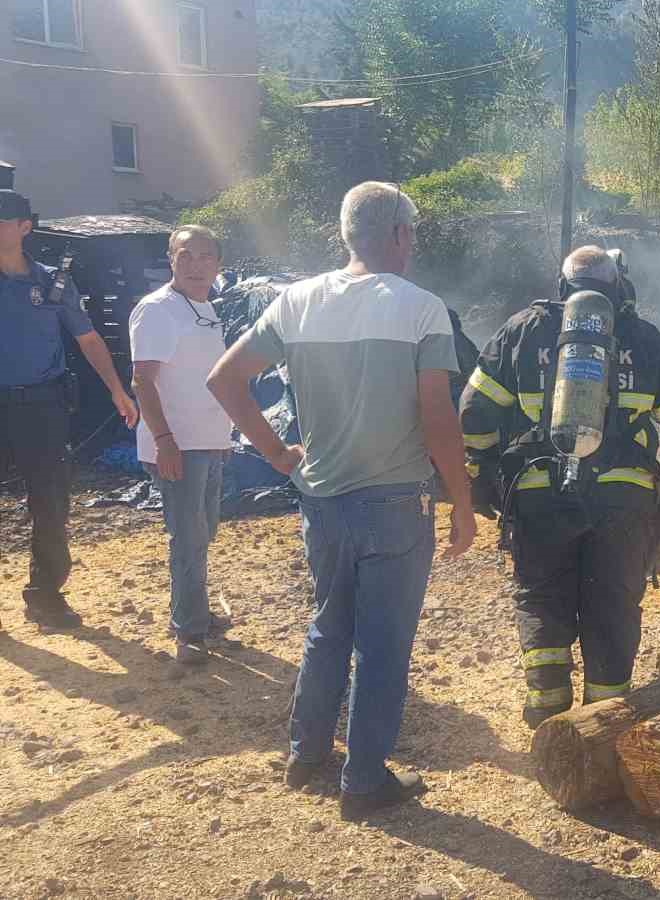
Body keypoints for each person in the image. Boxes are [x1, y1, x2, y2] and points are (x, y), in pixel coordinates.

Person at [207, 181, 476, 820]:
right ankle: (363, 783)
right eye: (412, 233)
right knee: (382, 644)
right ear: (400, 235)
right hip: (393, 505)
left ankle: (305, 756)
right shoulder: (420, 308)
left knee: (330, 625)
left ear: (347, 235)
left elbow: (224, 380)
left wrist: (278, 454)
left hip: (321, 499)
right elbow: (437, 414)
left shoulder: (295, 301)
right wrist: (462, 500)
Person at [460, 245, 660, 729]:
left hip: (538, 494)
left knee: (541, 595)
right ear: (620, 288)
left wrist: (481, 475)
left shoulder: (522, 331)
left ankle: (548, 705)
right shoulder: (642, 336)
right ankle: (605, 716)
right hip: (624, 500)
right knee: (613, 603)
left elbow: (473, 411)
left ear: (561, 289)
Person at [0, 188, 138, 631]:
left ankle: (45, 596)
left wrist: (117, 390)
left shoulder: (50, 283)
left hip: (42, 403)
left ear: (25, 227)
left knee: (51, 501)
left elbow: (89, 339)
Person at [129, 225, 235, 665]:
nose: (196, 265)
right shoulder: (157, 310)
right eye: (185, 256)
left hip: (207, 442)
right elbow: (142, 380)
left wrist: (222, 437)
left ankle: (196, 613)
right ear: (170, 259)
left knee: (203, 532)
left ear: (218, 264)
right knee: (188, 536)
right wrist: (165, 441)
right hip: (178, 445)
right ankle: (189, 631)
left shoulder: (204, 307)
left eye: (205, 257)